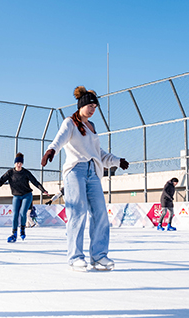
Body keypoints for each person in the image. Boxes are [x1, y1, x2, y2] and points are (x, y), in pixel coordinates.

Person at [41, 86, 129, 272]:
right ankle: (75, 257)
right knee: (78, 212)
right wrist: (51, 150)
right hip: (75, 171)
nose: (92, 109)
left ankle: (99, 256)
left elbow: (98, 153)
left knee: (100, 213)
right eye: (89, 105)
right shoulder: (70, 123)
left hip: (93, 172)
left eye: (95, 106)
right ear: (81, 105)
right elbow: (59, 139)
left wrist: (116, 161)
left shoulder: (92, 127)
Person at [0, 153, 49, 242]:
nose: (19, 164)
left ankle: (22, 230)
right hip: (16, 196)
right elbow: (2, 179)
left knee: (23, 213)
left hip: (27, 195)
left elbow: (35, 182)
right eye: (17, 163)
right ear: (15, 163)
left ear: (22, 164)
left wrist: (43, 190)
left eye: (20, 163)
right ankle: (14, 233)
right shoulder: (10, 172)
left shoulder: (26, 172)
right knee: (15, 214)